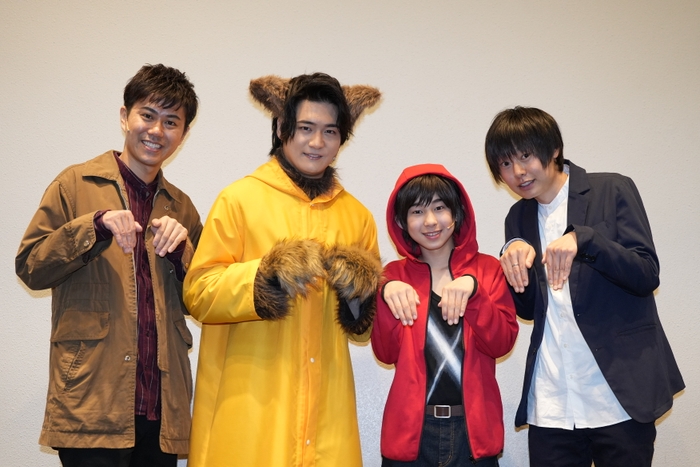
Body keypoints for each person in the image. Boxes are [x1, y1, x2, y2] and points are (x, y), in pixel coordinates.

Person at [183, 72, 382, 467]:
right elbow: (199, 292)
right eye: (305, 128)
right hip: (252, 410)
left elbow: (364, 329)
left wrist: (358, 295)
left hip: (327, 417)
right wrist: (267, 275)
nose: (317, 142)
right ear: (281, 127)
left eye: (330, 131)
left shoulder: (357, 217)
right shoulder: (239, 200)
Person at [15, 64, 202, 467]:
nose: (157, 130)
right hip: (90, 404)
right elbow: (31, 266)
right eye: (147, 115)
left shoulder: (182, 208)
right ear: (124, 117)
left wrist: (182, 254)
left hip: (161, 409)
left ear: (183, 134)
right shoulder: (74, 184)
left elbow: (201, 300)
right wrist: (93, 226)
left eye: (171, 122)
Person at [484, 106, 684, 466]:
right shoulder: (518, 216)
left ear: (554, 149)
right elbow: (528, 309)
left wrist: (587, 240)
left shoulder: (612, 189)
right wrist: (513, 263)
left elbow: (646, 273)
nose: (518, 172)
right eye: (505, 164)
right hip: (552, 401)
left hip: (617, 395)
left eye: (526, 156)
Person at [371, 164, 518, 466]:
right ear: (401, 221)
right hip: (411, 434)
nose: (430, 221)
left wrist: (474, 292)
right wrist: (384, 293)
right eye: (416, 211)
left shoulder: (487, 270)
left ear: (457, 212)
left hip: (473, 433)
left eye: (439, 208)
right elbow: (385, 353)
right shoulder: (392, 276)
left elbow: (501, 344)